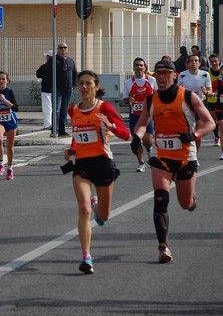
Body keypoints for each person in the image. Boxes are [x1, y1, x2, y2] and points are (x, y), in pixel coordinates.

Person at [131, 59, 215, 263]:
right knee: (160, 200)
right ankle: (163, 247)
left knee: (185, 204)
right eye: (157, 73)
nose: (160, 77)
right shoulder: (151, 100)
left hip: (186, 156)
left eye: (165, 73)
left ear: (174, 76)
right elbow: (142, 124)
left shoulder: (188, 97)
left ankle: (191, 199)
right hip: (162, 156)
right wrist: (137, 136)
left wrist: (194, 135)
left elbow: (210, 123)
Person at [62, 70, 130, 274]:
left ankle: (98, 205)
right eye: (81, 83)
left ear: (96, 87)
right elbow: (78, 134)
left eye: (88, 83)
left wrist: (110, 125)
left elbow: (126, 134)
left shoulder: (105, 107)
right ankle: (86, 257)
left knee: (104, 216)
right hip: (82, 164)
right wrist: (72, 148)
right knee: (83, 209)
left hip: (103, 164)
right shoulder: (72, 110)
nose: (84, 87)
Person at [123, 58, 157, 172]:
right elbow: (124, 100)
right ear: (133, 68)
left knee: (147, 139)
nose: (139, 67)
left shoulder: (152, 80)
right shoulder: (128, 83)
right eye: (137, 65)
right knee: (136, 140)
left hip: (148, 115)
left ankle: (149, 150)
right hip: (135, 116)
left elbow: (158, 95)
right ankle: (141, 163)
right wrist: (129, 100)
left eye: (141, 65)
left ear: (145, 67)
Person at [177, 54, 212, 155]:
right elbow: (177, 90)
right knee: (186, 132)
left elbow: (210, 91)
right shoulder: (182, 75)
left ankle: (194, 155)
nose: (194, 63)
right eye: (191, 61)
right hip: (186, 107)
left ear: (199, 63)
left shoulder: (205, 74)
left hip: (199, 106)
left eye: (196, 61)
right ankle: (185, 153)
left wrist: (206, 92)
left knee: (198, 133)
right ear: (188, 63)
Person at [45, 42, 77, 137]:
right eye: (61, 48)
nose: (63, 49)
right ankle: (54, 130)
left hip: (68, 89)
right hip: (57, 89)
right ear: (58, 49)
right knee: (57, 110)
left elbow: (75, 73)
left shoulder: (71, 61)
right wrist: (53, 85)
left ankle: (62, 130)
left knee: (64, 110)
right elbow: (47, 74)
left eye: (65, 47)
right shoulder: (53, 60)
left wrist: (74, 84)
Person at [36, 50, 53, 130]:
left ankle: (47, 124)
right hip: (57, 90)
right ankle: (55, 124)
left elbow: (38, 74)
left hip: (46, 89)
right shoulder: (58, 66)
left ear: (48, 57)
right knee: (55, 108)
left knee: (47, 107)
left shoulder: (44, 66)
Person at [207, 53, 221, 146]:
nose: (214, 63)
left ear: (219, 61)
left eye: (215, 61)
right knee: (214, 119)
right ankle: (217, 137)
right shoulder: (207, 73)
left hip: (221, 99)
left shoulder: (222, 71)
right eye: (212, 62)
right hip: (211, 100)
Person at [211, 62, 223, 160]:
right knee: (222, 128)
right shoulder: (216, 82)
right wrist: (210, 94)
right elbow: (212, 94)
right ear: (220, 70)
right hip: (220, 107)